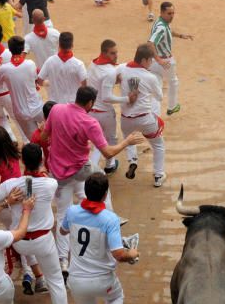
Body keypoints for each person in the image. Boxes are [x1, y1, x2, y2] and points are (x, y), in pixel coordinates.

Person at [40, 86, 144, 271]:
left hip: (58, 172)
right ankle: (113, 225)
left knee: (63, 213)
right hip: (80, 170)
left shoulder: (56, 110)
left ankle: (63, 261)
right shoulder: (89, 122)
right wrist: (126, 142)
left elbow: (44, 135)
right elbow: (107, 151)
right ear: (89, 103)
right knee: (100, 181)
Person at [60, 172, 138, 304]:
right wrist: (133, 253)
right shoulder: (110, 219)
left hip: (77, 280)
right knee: (117, 298)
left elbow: (63, 230)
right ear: (105, 195)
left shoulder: (73, 211)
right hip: (103, 281)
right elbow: (119, 254)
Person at [0, 143, 78, 304]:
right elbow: (38, 181)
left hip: (19, 242)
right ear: (41, 160)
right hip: (43, 241)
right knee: (55, 278)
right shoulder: (50, 184)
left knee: (26, 248)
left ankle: (33, 275)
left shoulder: (10, 185)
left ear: (22, 162)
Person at [114, 44, 167, 187]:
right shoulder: (150, 77)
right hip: (145, 119)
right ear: (144, 60)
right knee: (158, 145)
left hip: (126, 119)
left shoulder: (122, 68)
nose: (151, 63)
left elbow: (113, 78)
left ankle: (132, 161)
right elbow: (160, 97)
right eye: (150, 60)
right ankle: (158, 175)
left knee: (128, 138)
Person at [0, 35, 44, 140]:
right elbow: (36, 80)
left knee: (34, 142)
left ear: (10, 50)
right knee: (51, 134)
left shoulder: (3, 69)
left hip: (21, 113)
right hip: (38, 108)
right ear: (22, 49)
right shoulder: (31, 64)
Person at [86, 38, 121, 173]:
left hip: (91, 112)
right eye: (112, 53)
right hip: (105, 113)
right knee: (110, 139)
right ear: (104, 53)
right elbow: (107, 97)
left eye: (116, 52)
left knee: (95, 142)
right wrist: (126, 99)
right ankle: (109, 165)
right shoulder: (110, 71)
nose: (116, 55)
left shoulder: (92, 64)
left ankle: (94, 168)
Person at [38, 31, 88, 103]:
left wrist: (48, 83)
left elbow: (39, 81)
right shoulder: (79, 64)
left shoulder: (50, 61)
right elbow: (84, 86)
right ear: (72, 45)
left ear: (59, 45)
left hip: (55, 105)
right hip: (72, 105)